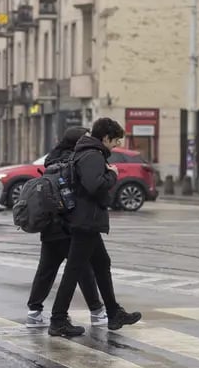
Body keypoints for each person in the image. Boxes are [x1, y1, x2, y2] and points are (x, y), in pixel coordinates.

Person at [49, 118, 141, 337]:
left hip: (85, 219)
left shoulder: (88, 152)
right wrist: (112, 174)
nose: (115, 145)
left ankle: (113, 312)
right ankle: (58, 319)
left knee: (101, 263)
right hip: (86, 220)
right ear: (105, 138)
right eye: (115, 141)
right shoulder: (92, 155)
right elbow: (94, 185)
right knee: (74, 270)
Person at [25, 126, 107, 329]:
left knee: (46, 269)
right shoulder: (76, 160)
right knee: (82, 268)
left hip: (49, 223)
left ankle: (34, 312)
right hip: (69, 224)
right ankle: (97, 312)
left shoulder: (51, 159)